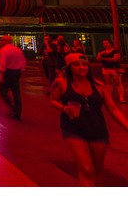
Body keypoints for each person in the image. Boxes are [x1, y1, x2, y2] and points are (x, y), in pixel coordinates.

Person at [50, 53, 128, 186]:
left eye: (85, 64)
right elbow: (53, 101)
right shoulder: (62, 83)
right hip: (73, 129)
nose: (82, 67)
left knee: (97, 170)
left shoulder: (99, 85)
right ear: (69, 68)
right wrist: (64, 108)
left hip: (97, 130)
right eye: (76, 65)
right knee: (87, 169)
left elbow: (113, 109)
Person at [0, 35, 26, 120]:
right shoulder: (18, 50)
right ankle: (17, 112)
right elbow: (23, 62)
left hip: (8, 72)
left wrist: (1, 74)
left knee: (2, 91)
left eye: (2, 40)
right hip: (16, 72)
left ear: (6, 41)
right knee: (16, 93)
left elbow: (3, 63)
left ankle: (11, 107)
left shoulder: (4, 50)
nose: (0, 42)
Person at [96, 39, 125, 103]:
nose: (105, 45)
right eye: (104, 43)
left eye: (107, 43)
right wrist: (100, 54)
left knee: (118, 83)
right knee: (108, 83)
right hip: (105, 68)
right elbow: (98, 59)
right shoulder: (102, 51)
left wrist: (103, 58)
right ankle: (109, 98)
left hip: (115, 68)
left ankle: (121, 98)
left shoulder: (115, 51)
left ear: (110, 44)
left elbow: (114, 59)